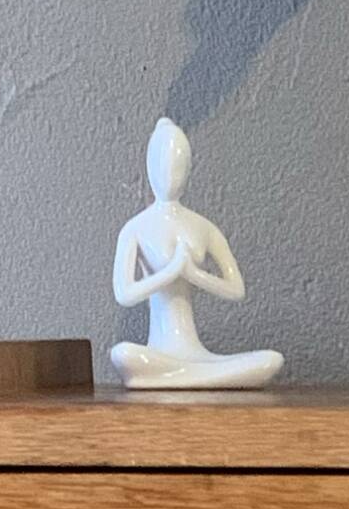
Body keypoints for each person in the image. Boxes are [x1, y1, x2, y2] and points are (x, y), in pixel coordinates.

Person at [109, 120, 284, 391]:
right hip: (156, 352)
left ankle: (190, 373)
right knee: (124, 354)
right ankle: (192, 375)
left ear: (189, 169)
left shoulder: (203, 227)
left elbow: (236, 289)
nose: (170, 176)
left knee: (270, 361)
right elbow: (124, 293)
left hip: (196, 352)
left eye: (178, 167)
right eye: (162, 166)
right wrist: (170, 273)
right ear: (149, 168)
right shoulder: (135, 229)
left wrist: (194, 275)